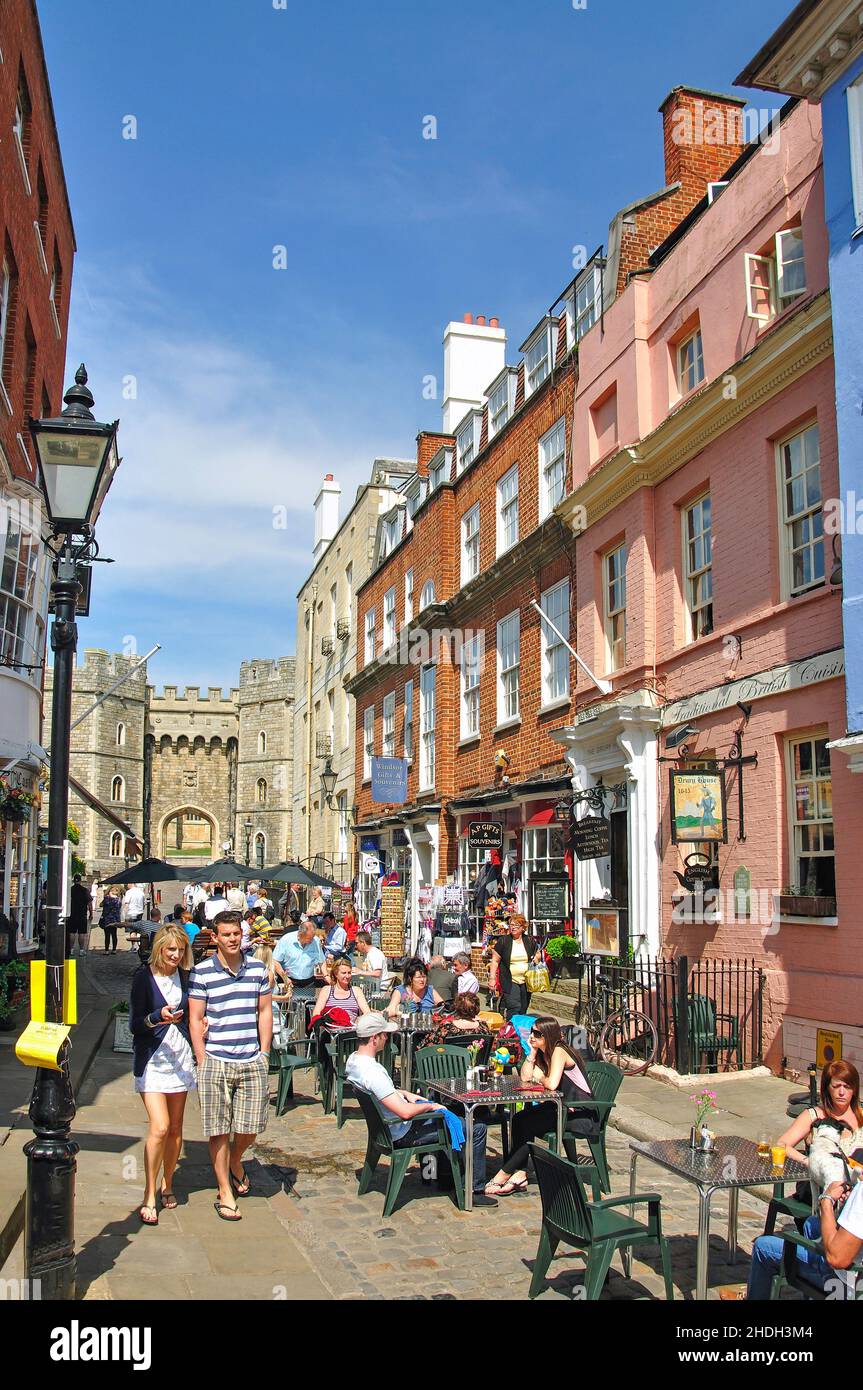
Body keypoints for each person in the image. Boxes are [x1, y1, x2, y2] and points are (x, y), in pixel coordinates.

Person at [719, 1059, 863, 1299]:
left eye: (847, 1086)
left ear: (854, 1089)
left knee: (768, 1245)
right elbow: (783, 1144)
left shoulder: (861, 1118)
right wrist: (809, 1162)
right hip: (819, 1194)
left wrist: (831, 1198)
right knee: (810, 1225)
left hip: (844, 1206)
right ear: (827, 1087)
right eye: (836, 1086)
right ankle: (809, 1280)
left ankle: (814, 1278)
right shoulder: (815, 1116)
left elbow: (839, 1257)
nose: (841, 1092)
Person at [345, 1012, 497, 1207]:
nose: (387, 1039)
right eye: (385, 1035)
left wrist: (405, 1093)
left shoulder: (354, 1061)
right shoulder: (373, 1072)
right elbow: (405, 1113)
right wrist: (430, 1106)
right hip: (402, 1131)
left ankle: (438, 1175)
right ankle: (474, 1191)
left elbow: (378, 1092)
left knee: (445, 1113)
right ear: (374, 1038)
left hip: (384, 1128)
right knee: (476, 1129)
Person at [188, 911, 273, 1222]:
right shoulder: (201, 972)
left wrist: (264, 1053)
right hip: (216, 1059)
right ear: (215, 938)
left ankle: (236, 1161)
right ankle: (225, 1190)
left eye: (236, 933)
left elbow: (264, 1011)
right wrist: (201, 1058)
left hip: (251, 1057)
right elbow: (196, 1018)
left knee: (250, 1126)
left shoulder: (257, 969)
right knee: (218, 1130)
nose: (233, 939)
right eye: (226, 934)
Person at [129, 925, 196, 1226]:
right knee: (160, 1127)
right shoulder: (143, 979)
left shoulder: (185, 977)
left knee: (176, 1128)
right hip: (153, 1059)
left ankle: (168, 1183)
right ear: (159, 948)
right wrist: (158, 1017)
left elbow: (194, 1015)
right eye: (170, 949)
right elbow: (134, 1024)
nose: (175, 955)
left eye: (180, 950)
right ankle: (148, 1193)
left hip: (180, 1057)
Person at [485, 1015, 595, 1196]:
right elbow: (526, 1077)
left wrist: (541, 1078)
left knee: (528, 1125)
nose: (532, 1036)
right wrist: (532, 1052)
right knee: (520, 1119)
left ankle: (502, 1175)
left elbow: (550, 1084)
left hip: (579, 1114)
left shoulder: (560, 1051)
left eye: (537, 1033)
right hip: (560, 1108)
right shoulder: (546, 1054)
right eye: (532, 1032)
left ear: (548, 1035)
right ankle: (519, 1173)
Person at [488, 914, 541, 1017]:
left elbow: (537, 954)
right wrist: (492, 978)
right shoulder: (504, 941)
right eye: (511, 925)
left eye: (516, 925)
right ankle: (511, 1029)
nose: (513, 927)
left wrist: (537, 958)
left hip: (526, 980)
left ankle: (520, 1029)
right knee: (514, 1006)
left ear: (523, 927)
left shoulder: (529, 940)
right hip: (510, 980)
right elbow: (495, 961)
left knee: (523, 1007)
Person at [272, 916, 325, 998]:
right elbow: (275, 961)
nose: (311, 941)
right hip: (290, 981)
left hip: (309, 983)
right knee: (291, 1008)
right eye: (308, 938)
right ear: (300, 935)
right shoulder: (286, 940)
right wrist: (284, 977)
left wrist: (326, 975)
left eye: (312, 938)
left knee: (307, 1007)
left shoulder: (315, 941)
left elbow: (322, 961)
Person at [313, 956, 370, 1025]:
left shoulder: (356, 991)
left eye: (349, 973)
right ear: (336, 974)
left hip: (352, 1029)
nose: (347, 976)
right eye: (344, 973)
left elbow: (367, 1013)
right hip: (331, 1029)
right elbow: (316, 1012)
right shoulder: (326, 990)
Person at [67, 875, 92, 956]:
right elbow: (89, 903)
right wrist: (91, 913)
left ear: (74, 881)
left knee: (72, 932)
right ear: (80, 881)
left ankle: (71, 950)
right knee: (82, 933)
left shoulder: (70, 890)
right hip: (82, 914)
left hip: (72, 914)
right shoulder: (85, 890)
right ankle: (81, 950)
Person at [98, 886, 122, 954]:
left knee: (107, 935)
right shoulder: (118, 900)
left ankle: (106, 950)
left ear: (110, 891)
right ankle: (114, 950)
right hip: (115, 919)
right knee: (114, 934)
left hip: (107, 919)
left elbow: (101, 905)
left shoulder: (106, 899)